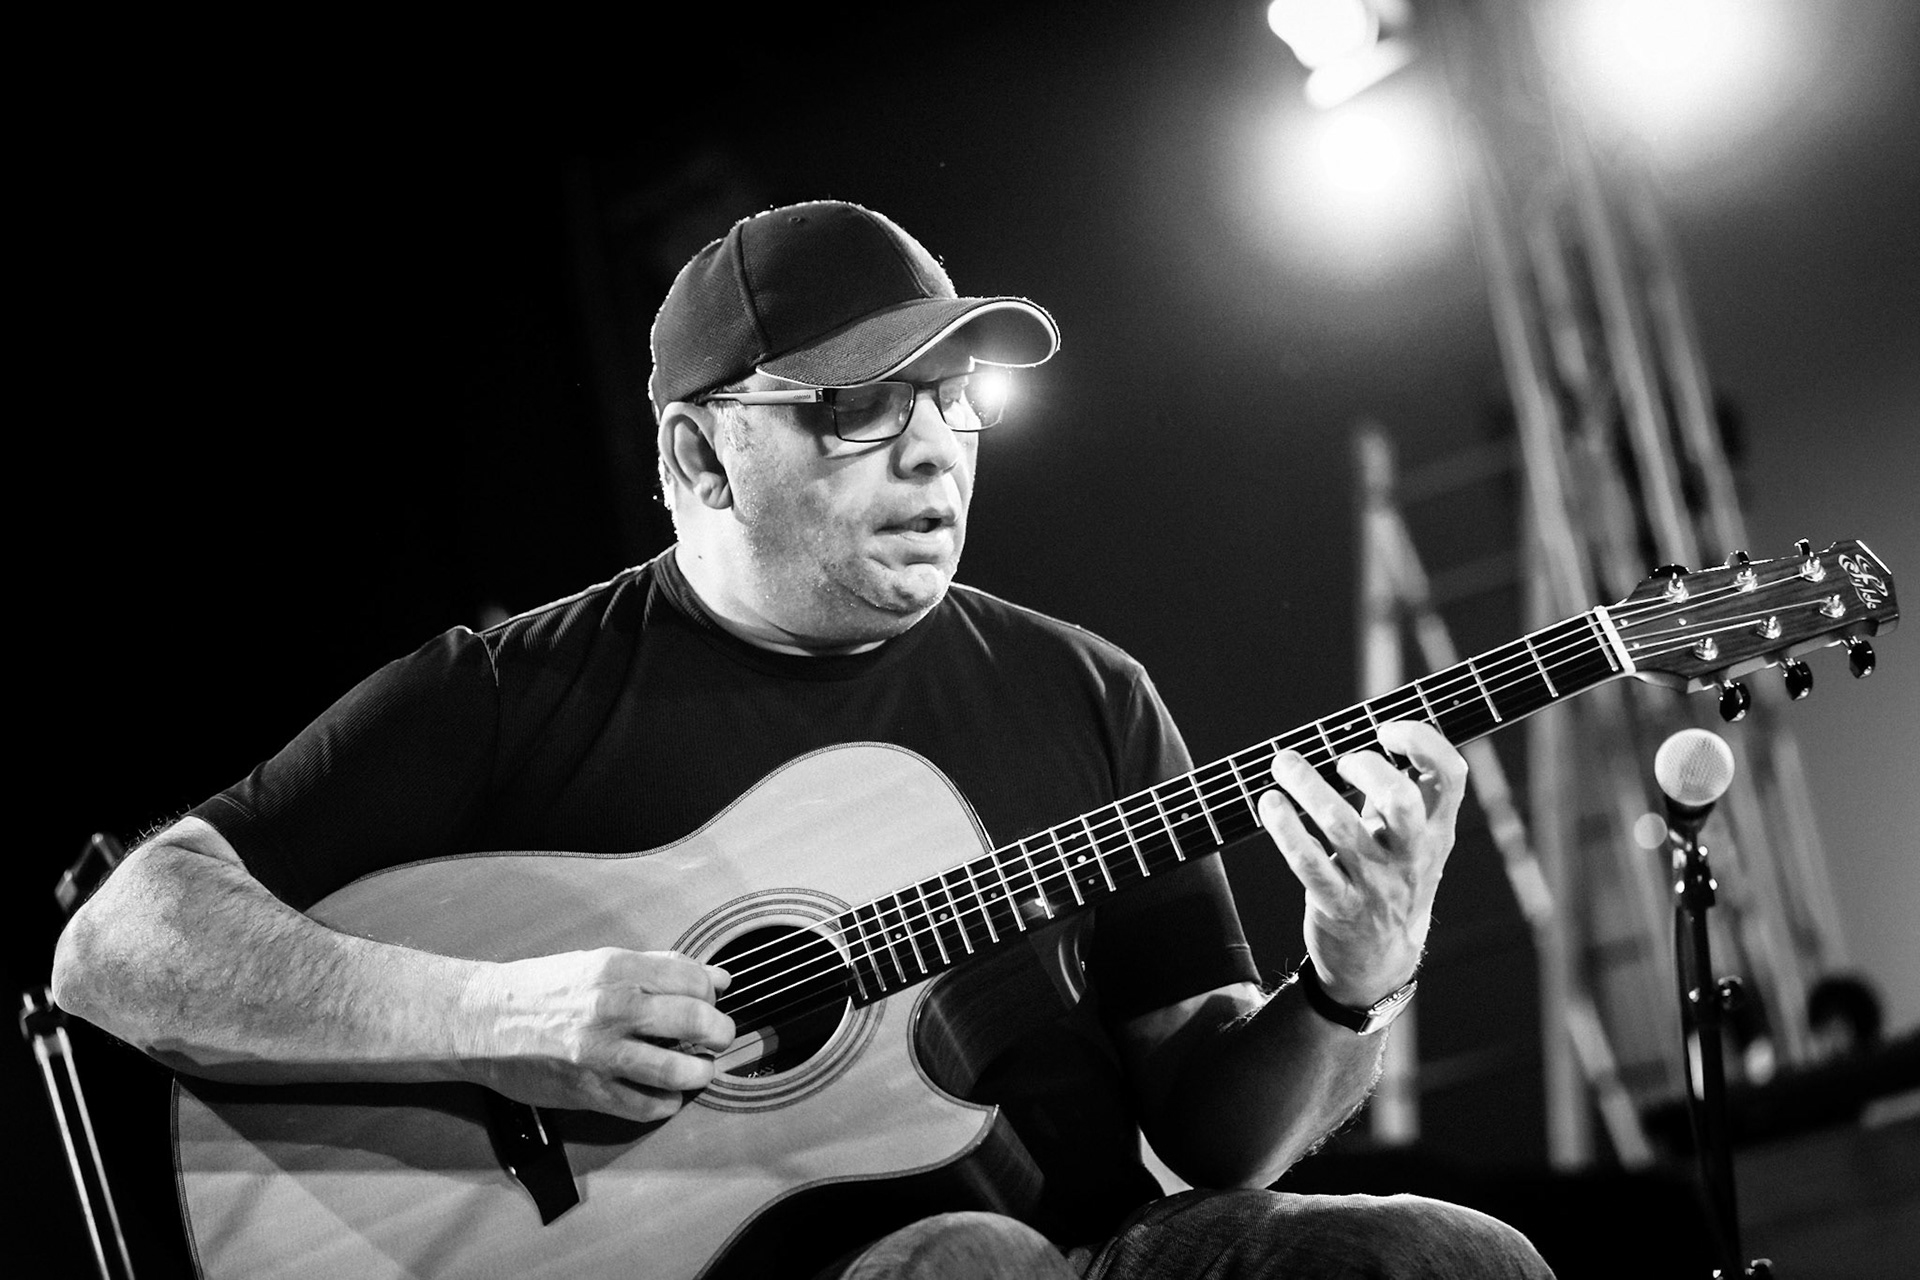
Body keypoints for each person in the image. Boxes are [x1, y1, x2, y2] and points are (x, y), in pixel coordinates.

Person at [51, 199, 1553, 1278]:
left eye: (954, 402)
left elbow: (1223, 1142)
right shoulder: (507, 693)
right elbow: (119, 948)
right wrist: (496, 1016)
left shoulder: (1085, 691)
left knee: (1455, 1259)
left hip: (1096, 1252)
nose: (929, 449)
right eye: (853, 406)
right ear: (700, 453)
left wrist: (1358, 981)